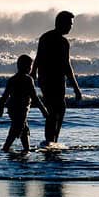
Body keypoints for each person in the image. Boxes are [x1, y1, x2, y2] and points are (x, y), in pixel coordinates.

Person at [31, 10, 82, 144]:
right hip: (54, 79)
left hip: (46, 79)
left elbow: (38, 57)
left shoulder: (45, 37)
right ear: (62, 23)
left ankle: (52, 140)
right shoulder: (62, 42)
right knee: (56, 109)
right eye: (70, 24)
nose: (71, 27)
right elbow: (66, 65)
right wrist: (76, 88)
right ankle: (51, 140)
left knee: (56, 109)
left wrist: (33, 72)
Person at [0, 54, 50, 152]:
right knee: (16, 129)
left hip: (12, 109)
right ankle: (5, 148)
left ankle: (26, 149)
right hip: (21, 109)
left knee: (24, 129)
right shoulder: (28, 79)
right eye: (29, 66)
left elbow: (4, 96)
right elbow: (35, 98)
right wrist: (44, 110)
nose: (30, 68)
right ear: (23, 66)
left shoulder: (12, 79)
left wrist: (0, 109)